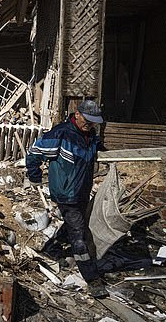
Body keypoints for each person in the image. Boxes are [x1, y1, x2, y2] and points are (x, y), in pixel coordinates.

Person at [26, 99, 108, 298]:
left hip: (81, 191)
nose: (90, 125)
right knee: (79, 235)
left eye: (94, 122)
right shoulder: (61, 133)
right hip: (64, 192)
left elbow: (94, 149)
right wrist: (35, 177)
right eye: (87, 120)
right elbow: (34, 152)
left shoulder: (90, 136)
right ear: (77, 114)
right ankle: (92, 279)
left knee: (75, 224)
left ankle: (51, 248)